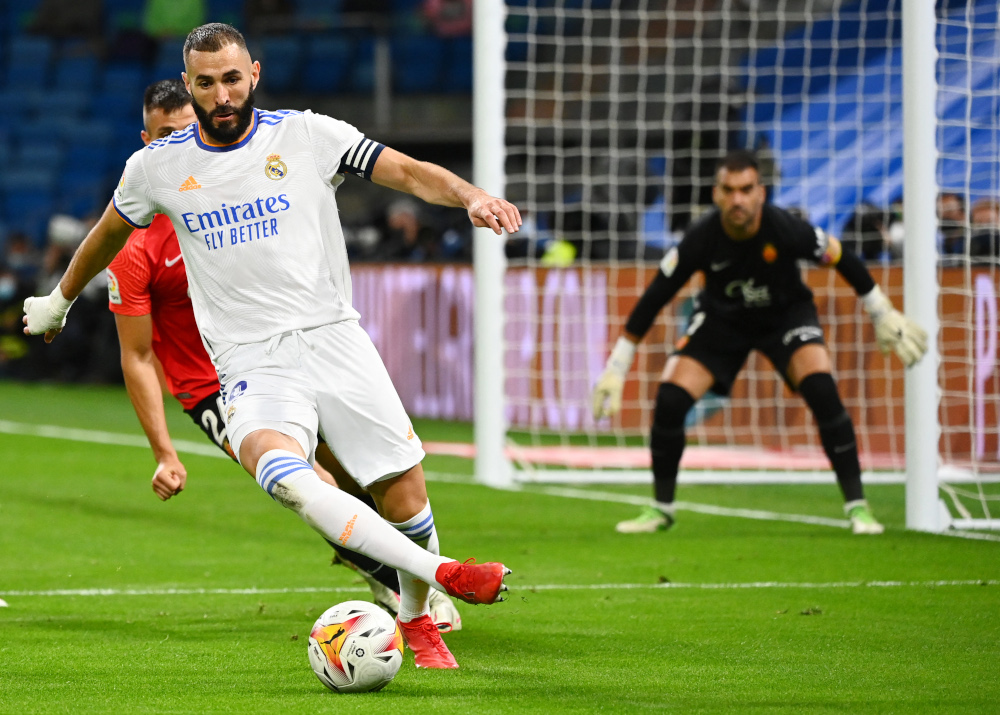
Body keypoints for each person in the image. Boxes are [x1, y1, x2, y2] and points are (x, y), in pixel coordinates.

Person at [24, 22, 520, 670]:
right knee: (284, 475)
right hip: (251, 360)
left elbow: (403, 170)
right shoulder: (157, 167)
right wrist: (60, 298)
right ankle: (443, 572)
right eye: (206, 83)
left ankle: (416, 616)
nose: (222, 95)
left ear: (254, 73)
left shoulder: (307, 134)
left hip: (335, 338)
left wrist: (470, 195)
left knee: (404, 496)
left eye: (232, 79)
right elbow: (106, 234)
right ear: (190, 86)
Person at [107, 78, 460, 632]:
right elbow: (137, 354)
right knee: (307, 480)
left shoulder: (238, 190)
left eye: (185, 130)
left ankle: (395, 570)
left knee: (360, 473)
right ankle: (403, 587)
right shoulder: (133, 249)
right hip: (212, 386)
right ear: (146, 142)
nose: (176, 144)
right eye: (163, 136)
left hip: (290, 356)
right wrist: (163, 452)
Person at [592, 150, 927, 536]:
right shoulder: (701, 237)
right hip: (722, 321)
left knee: (821, 389)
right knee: (670, 399)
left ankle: (858, 508)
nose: (738, 199)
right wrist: (617, 367)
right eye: (729, 190)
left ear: (760, 193)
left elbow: (841, 257)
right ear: (716, 194)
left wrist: (881, 310)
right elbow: (654, 297)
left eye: (746, 189)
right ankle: (661, 509)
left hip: (785, 317)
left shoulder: (785, 227)